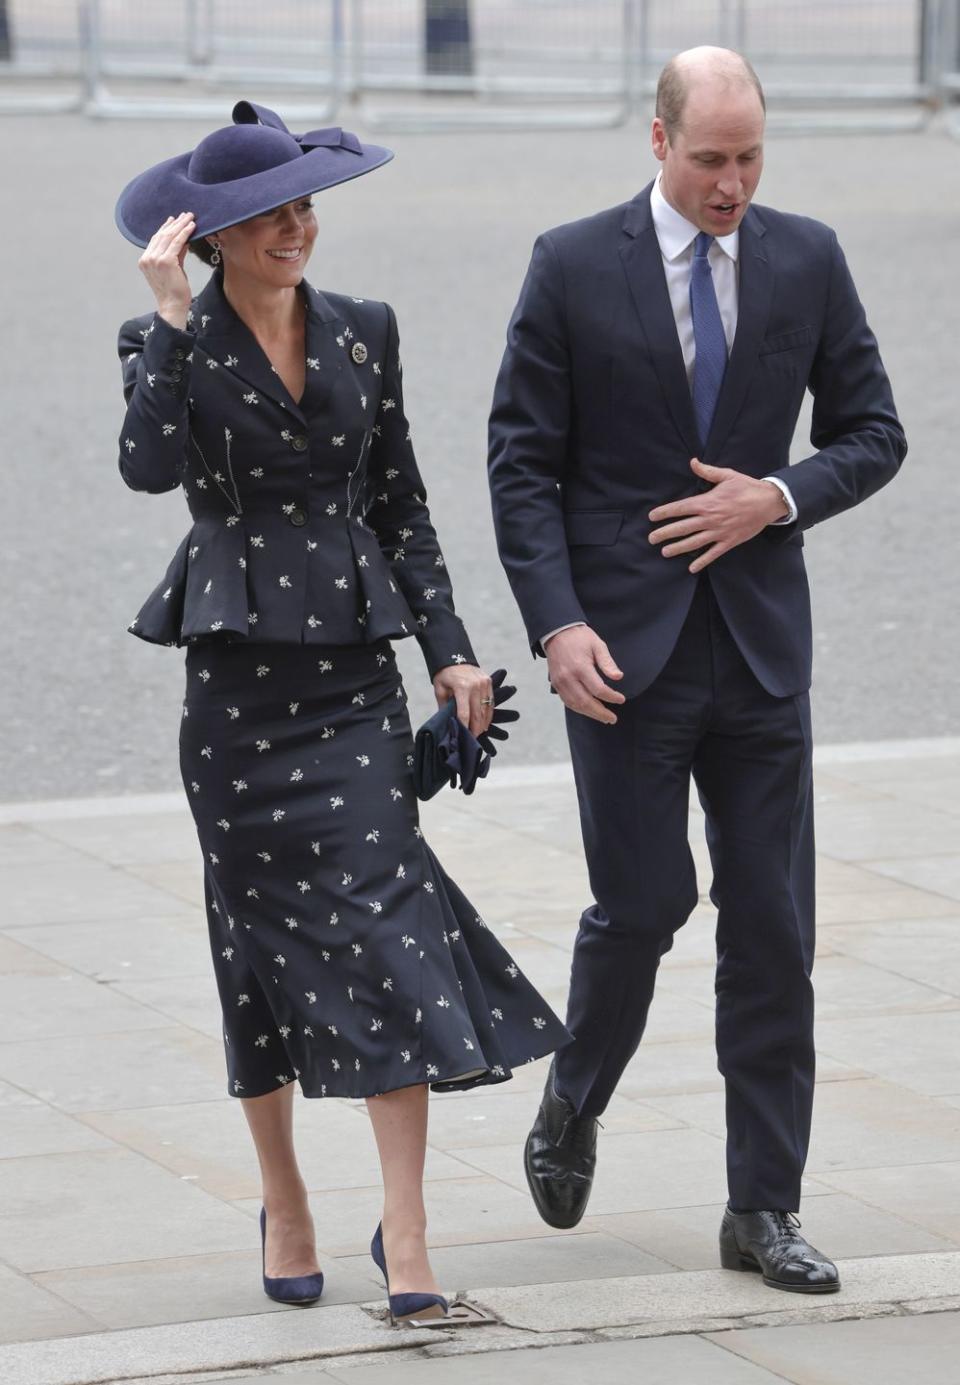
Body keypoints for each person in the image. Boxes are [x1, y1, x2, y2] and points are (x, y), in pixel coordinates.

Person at [114, 100, 567, 1324]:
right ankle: (289, 1201)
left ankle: (407, 1233)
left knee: (392, 930)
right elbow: (149, 468)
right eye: (268, 216)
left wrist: (456, 656)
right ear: (211, 236)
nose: (296, 228)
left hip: (355, 689)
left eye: (305, 205)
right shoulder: (170, 340)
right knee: (253, 956)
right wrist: (164, 326)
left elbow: (403, 504)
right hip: (240, 700)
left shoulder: (365, 333)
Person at [488, 48, 906, 1293]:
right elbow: (520, 463)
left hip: (762, 652)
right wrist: (557, 626)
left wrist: (777, 496)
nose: (735, 183)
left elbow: (874, 431)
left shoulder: (807, 257)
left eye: (752, 158)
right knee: (646, 903)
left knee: (776, 931)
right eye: (712, 158)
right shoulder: (571, 264)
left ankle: (762, 1208)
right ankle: (574, 1094)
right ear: (657, 143)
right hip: (622, 651)